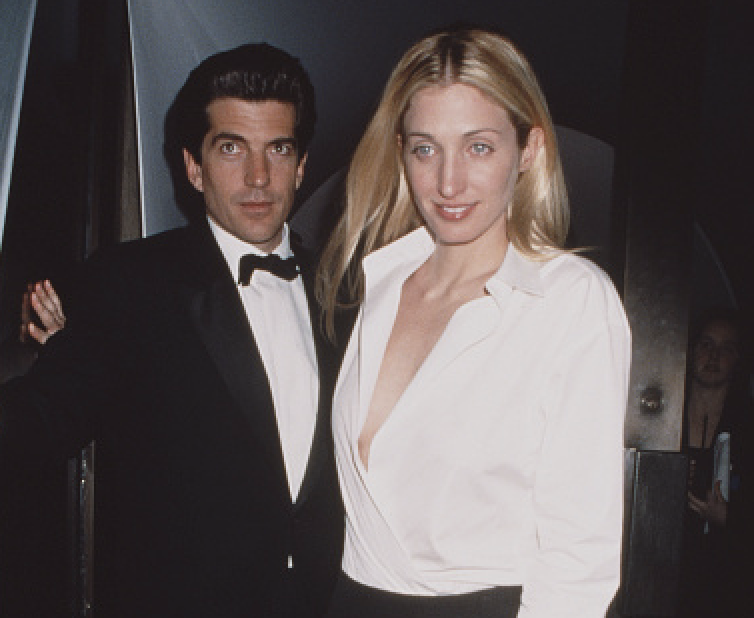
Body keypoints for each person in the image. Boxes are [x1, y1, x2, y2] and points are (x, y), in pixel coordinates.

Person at [0, 43, 350, 618]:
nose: (258, 176)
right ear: (193, 167)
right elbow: (47, 416)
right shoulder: (128, 282)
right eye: (231, 148)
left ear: (302, 165)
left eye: (278, 149)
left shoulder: (346, 291)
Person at [316, 26, 631, 618]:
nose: (448, 182)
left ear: (529, 150)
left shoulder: (570, 301)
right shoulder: (374, 286)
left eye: (478, 147)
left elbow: (579, 559)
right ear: (401, 151)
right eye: (425, 149)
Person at [679, 308, 752, 617]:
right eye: (707, 344)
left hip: (724, 581)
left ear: (737, 359)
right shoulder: (663, 415)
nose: (714, 356)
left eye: (726, 348)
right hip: (663, 567)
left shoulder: (747, 427)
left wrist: (730, 519)